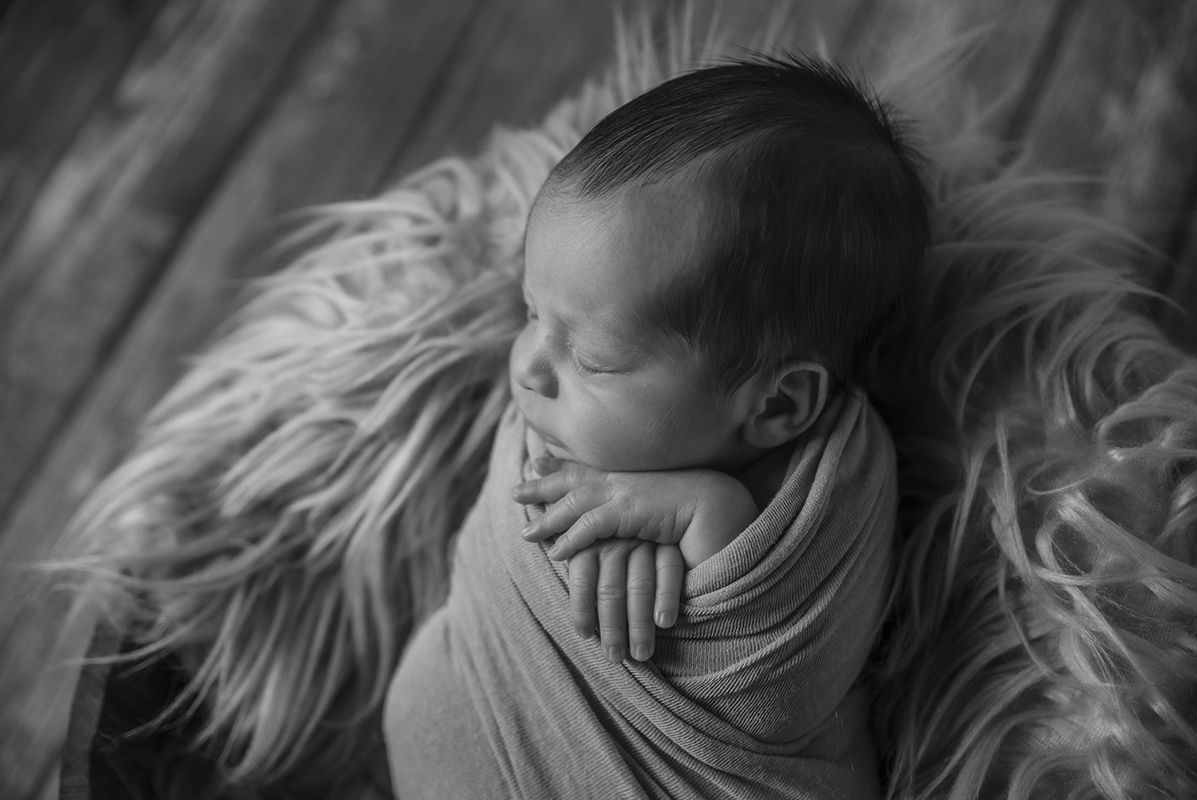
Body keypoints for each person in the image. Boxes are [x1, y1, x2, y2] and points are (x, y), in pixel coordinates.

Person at [385, 54, 929, 798]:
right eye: (532, 314)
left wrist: (707, 512)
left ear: (776, 407)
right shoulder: (566, 421)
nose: (530, 369)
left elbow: (780, 693)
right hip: (486, 706)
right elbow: (508, 534)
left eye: (594, 358)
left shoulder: (843, 476)